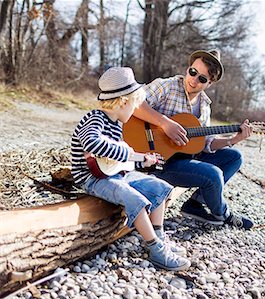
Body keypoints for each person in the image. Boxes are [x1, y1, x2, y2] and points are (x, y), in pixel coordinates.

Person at [70, 67, 190, 271]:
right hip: (92, 178)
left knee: (159, 187)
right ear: (124, 102)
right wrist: (128, 153)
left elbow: (115, 162)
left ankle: (159, 237)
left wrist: (141, 161)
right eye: (133, 106)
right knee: (135, 198)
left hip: (114, 172)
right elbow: (91, 143)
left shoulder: (117, 124)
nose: (134, 111)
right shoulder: (94, 119)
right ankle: (155, 250)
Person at [133, 49, 254, 230]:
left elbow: (206, 144)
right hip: (157, 162)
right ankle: (223, 214)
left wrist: (233, 139)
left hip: (183, 160)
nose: (194, 80)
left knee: (234, 157)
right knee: (213, 174)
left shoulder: (205, 106)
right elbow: (131, 101)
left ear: (210, 83)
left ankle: (195, 205)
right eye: (193, 72)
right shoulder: (167, 86)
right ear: (189, 68)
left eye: (202, 79)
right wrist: (164, 123)